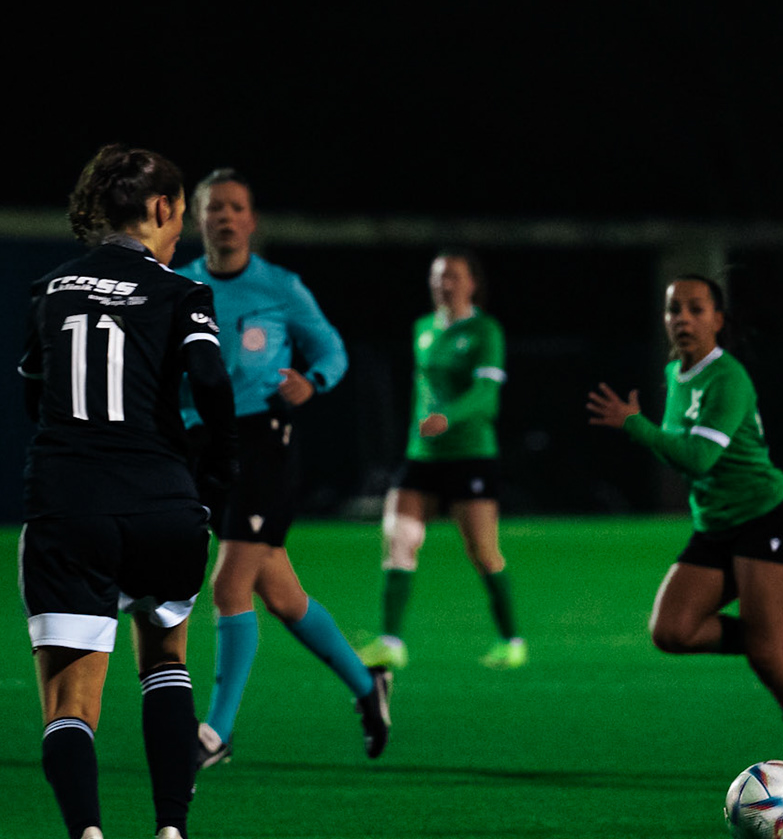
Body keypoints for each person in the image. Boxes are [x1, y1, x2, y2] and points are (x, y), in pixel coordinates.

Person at [18, 144, 238, 839]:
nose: (180, 231)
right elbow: (211, 385)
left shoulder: (48, 289)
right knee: (166, 660)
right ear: (158, 211)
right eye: (178, 214)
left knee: (69, 702)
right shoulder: (184, 290)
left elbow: (34, 393)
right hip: (161, 504)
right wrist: (213, 469)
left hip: (68, 502)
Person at [585, 274, 783, 782]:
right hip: (717, 526)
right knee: (671, 631)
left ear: (718, 321)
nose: (682, 317)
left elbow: (701, 458)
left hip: (764, 518)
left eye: (695, 308)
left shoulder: (729, 378)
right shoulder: (677, 374)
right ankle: (778, 631)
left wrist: (637, 425)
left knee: (766, 657)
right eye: (673, 308)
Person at [177, 168, 391, 771]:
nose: (225, 217)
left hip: (266, 440)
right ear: (200, 219)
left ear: (251, 219)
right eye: (214, 208)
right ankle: (365, 682)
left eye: (236, 207)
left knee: (227, 586)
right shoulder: (181, 286)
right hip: (206, 445)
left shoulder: (280, 286)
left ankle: (217, 732)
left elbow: (331, 350)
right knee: (281, 592)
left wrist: (311, 381)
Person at [359, 249, 525, 670]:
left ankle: (512, 640)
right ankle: (391, 642)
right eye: (437, 276)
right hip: (423, 457)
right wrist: (421, 428)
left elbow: (487, 394)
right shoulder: (422, 329)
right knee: (399, 539)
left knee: (483, 552)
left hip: (470, 455)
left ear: (472, 283)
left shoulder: (486, 331)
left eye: (452, 275)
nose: (443, 283)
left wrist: (447, 418)